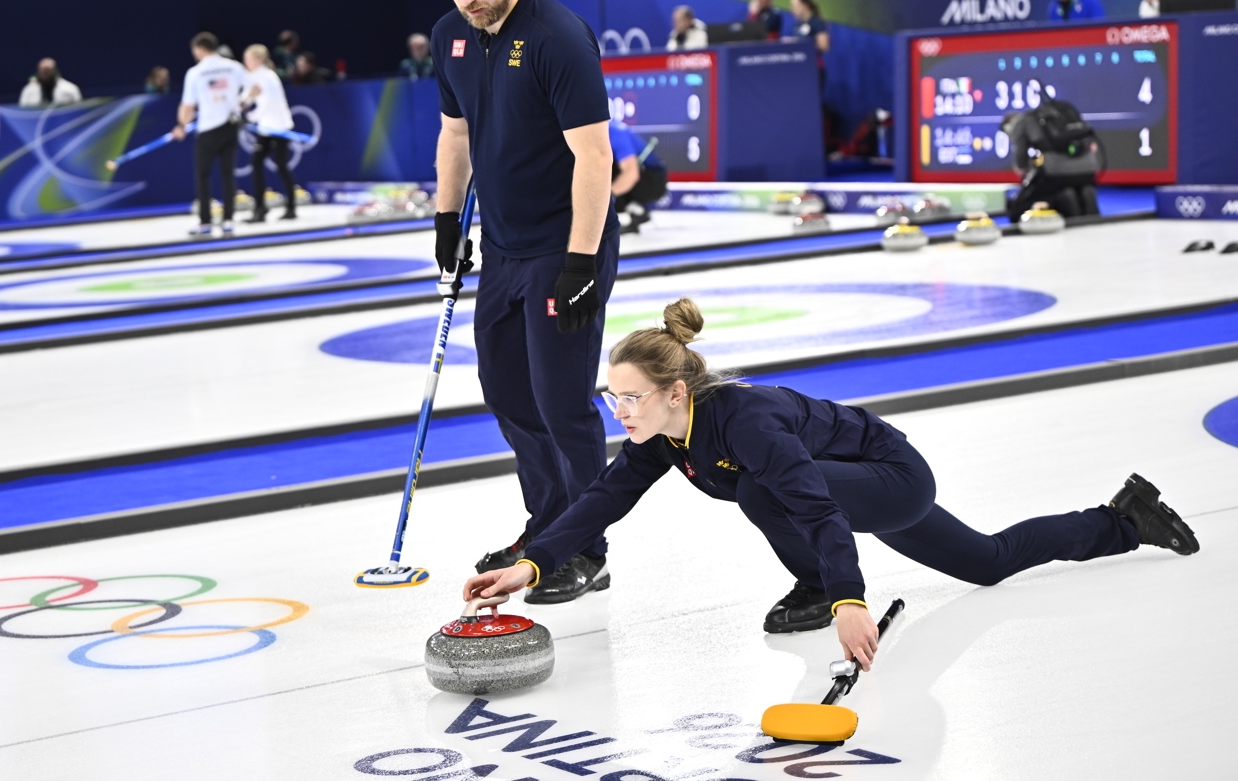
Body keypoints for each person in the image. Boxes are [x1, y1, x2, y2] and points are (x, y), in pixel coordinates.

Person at [466, 298, 1199, 668]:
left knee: (763, 487)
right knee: (987, 560)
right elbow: (602, 497)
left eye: (628, 398)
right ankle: (1125, 520)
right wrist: (531, 561)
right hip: (853, 486)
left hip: (890, 478)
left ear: (676, 393)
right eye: (611, 399)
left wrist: (847, 596)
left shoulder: (745, 422)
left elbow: (812, 505)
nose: (618, 411)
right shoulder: (664, 436)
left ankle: (815, 588)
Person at [422, 0, 620, 603]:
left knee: (562, 402)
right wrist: (448, 221)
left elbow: (594, 157)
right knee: (508, 393)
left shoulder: (557, 37)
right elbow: (455, 136)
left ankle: (583, 549)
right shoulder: (451, 35)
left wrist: (581, 263)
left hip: (564, 244)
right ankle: (547, 525)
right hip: (504, 249)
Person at [174, 31, 248, 237]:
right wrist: (240, 105)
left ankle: (205, 221)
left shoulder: (196, 72)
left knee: (202, 176)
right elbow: (253, 88)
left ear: (199, 49)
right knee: (227, 174)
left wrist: (181, 125)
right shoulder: (233, 67)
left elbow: (188, 106)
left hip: (208, 130)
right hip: (230, 127)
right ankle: (229, 220)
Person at [1002, 99, 1103, 219]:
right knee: (1076, 187)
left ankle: (1065, 200)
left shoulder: (1022, 122)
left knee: (1024, 204)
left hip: (1056, 174)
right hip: (1089, 169)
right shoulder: (1063, 114)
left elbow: (1021, 163)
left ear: (1008, 126)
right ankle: (1084, 198)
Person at [240, 43, 297, 222]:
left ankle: (291, 207)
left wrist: (250, 117)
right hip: (266, 128)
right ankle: (260, 208)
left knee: (281, 165)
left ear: (257, 60)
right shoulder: (254, 76)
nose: (245, 62)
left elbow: (268, 104)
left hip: (279, 128)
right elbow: (244, 97)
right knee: (256, 163)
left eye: (247, 59)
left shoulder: (268, 77)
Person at [609, 119, 667, 235]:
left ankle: (631, 210)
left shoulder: (615, 132)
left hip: (652, 181)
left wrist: (604, 198)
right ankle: (637, 211)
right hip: (643, 176)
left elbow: (631, 173)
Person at [18, 58, 82, 107]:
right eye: (43, 71)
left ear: (54, 70)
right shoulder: (28, 90)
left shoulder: (70, 89)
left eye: (48, 71)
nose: (45, 74)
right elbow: (22, 110)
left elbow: (78, 108)